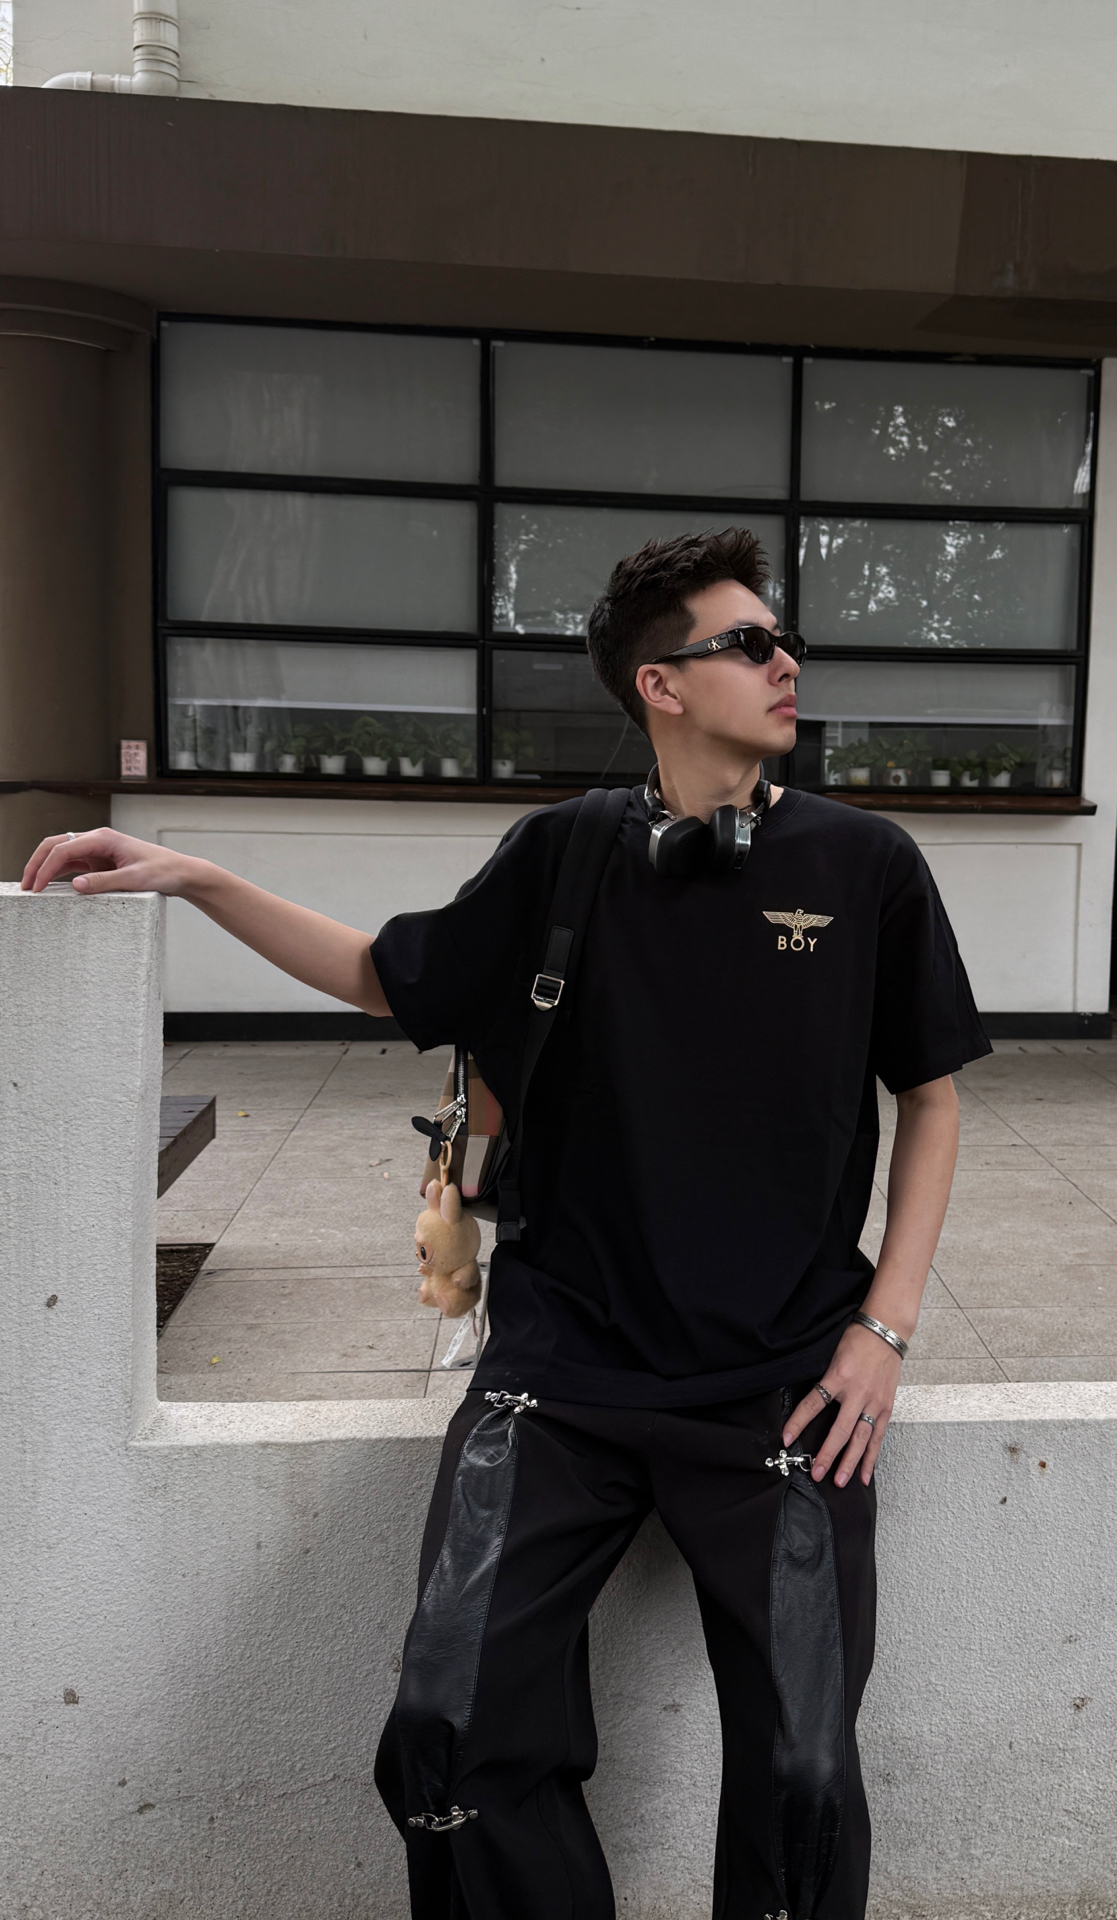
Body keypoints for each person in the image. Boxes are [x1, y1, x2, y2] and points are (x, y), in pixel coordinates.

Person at [22, 527, 990, 1920]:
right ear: (661, 685)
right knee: (445, 1728)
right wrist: (190, 874)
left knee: (805, 1778)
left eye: (784, 639)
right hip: (562, 1374)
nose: (787, 661)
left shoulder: (865, 865)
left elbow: (932, 1099)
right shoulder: (566, 854)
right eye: (749, 643)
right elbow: (383, 975)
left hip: (782, 1386)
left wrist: (883, 1332)